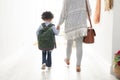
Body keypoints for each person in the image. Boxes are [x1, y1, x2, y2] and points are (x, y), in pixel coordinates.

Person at [57, 0, 91, 72]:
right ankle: (78, 66)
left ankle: (67, 59)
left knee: (69, 44)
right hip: (81, 25)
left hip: (70, 25)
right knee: (79, 45)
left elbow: (63, 13)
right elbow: (89, 11)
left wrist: (59, 23)